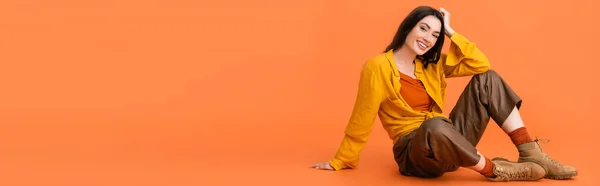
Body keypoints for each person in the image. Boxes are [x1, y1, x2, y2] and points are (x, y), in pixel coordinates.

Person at [310, 6, 577, 181]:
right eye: (423, 28)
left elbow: (480, 65)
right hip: (414, 155)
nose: (427, 37)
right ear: (408, 27)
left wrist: (450, 31)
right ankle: (495, 170)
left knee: (488, 79)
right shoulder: (378, 67)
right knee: (435, 125)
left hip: (447, 139)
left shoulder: (431, 62)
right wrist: (342, 160)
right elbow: (362, 116)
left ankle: (530, 152)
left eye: (435, 34)